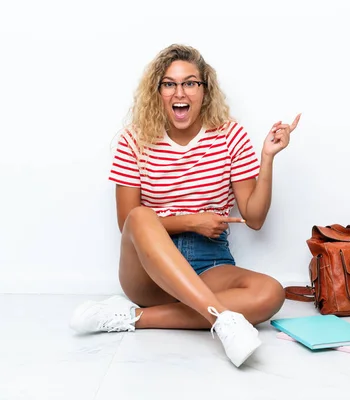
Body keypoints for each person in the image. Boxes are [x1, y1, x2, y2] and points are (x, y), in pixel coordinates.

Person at [68, 43, 301, 368]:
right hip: (150, 270)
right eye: (170, 83)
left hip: (211, 263)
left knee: (271, 293)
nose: (181, 92)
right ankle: (224, 318)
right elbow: (128, 223)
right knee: (140, 216)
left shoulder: (230, 135)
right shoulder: (133, 140)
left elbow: (255, 218)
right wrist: (191, 222)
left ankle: (133, 318)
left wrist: (267, 157)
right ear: (158, 91)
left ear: (205, 90)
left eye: (191, 82)